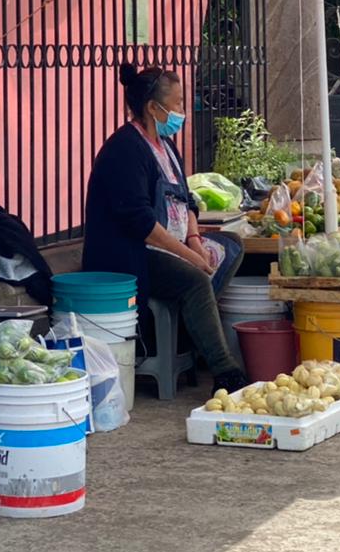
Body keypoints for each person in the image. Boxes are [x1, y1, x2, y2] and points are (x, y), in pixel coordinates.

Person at [83, 63, 248, 391]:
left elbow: (187, 200)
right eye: (178, 103)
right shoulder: (125, 149)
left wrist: (195, 240)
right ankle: (224, 369)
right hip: (134, 255)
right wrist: (189, 257)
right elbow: (141, 223)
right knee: (196, 280)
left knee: (231, 246)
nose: (182, 110)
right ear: (153, 108)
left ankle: (191, 332)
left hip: (174, 246)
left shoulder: (167, 146)